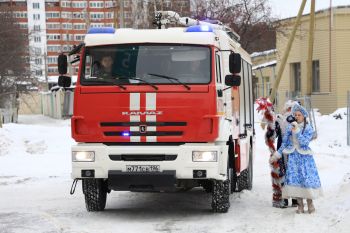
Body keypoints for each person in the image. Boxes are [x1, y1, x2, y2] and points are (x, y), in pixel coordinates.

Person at [270, 104, 323, 214]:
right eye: (295, 115)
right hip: (293, 157)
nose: (297, 116)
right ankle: (300, 205)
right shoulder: (290, 127)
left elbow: (304, 143)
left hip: (304, 158)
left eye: (299, 115)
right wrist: (276, 155)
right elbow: (284, 143)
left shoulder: (308, 128)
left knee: (306, 179)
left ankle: (310, 204)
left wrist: (297, 130)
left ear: (304, 116)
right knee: (295, 180)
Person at [275, 100, 299, 208]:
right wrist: (275, 125)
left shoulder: (298, 119)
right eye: (288, 108)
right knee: (283, 173)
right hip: (283, 151)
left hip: (294, 151)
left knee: (294, 173)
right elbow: (274, 135)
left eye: (292, 109)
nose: (289, 111)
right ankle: (284, 198)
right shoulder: (280, 119)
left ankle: (294, 198)